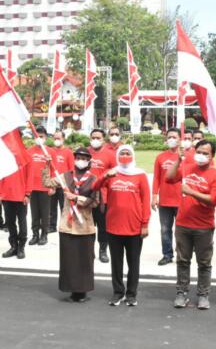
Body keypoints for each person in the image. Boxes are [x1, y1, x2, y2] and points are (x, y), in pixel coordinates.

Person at [166, 138, 216, 310]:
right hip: (183, 223)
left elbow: (213, 200)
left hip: (204, 226)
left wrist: (191, 191)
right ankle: (181, 292)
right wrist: (178, 160)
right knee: (183, 260)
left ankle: (203, 295)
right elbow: (169, 178)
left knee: (204, 263)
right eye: (198, 152)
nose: (201, 156)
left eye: (205, 153)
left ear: (212, 156)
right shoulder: (186, 168)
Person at [93, 145, 150, 307]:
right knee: (116, 263)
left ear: (133, 155)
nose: (125, 155)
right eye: (122, 153)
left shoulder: (140, 175)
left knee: (133, 262)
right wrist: (105, 176)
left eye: (128, 153)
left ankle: (131, 294)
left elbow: (146, 201)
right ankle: (118, 292)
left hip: (134, 227)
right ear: (118, 156)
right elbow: (95, 187)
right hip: (114, 226)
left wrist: (145, 224)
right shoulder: (112, 173)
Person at [43, 148, 98, 302]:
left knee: (84, 261)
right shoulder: (66, 176)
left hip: (84, 226)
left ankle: (83, 291)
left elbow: (94, 202)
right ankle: (71, 290)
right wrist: (47, 165)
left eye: (84, 158)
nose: (81, 160)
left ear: (89, 161)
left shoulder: (93, 179)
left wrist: (76, 197)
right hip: (67, 225)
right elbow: (47, 182)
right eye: (78, 157)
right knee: (69, 260)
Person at [152, 128, 182, 266]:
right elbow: (156, 178)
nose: (171, 139)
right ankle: (167, 254)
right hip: (165, 200)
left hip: (181, 199)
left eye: (174, 137)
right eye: (169, 137)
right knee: (165, 229)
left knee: (181, 230)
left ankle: (182, 254)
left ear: (180, 138)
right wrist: (154, 196)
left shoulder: (185, 157)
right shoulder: (161, 157)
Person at [0, 133, 31, 259]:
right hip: (7, 196)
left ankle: (21, 247)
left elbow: (30, 177)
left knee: (22, 223)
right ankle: (13, 246)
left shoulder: (26, 156)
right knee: (10, 223)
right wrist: (1, 193)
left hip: (21, 196)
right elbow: (1, 176)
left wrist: (28, 194)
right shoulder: (5, 157)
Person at [88, 128, 116, 263]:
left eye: (98, 138)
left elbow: (115, 175)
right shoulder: (86, 153)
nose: (95, 140)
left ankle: (103, 250)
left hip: (103, 196)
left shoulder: (110, 155)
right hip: (87, 195)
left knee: (103, 225)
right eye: (93, 137)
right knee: (88, 224)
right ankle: (89, 250)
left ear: (103, 140)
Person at [27, 126, 53, 246]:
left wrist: (52, 186)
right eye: (37, 136)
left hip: (45, 186)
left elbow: (54, 170)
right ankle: (35, 234)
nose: (39, 138)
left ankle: (44, 234)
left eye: (41, 136)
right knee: (34, 212)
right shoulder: (29, 151)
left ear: (46, 137)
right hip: (32, 187)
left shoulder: (50, 152)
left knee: (45, 212)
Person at [49, 129, 74, 233]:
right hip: (53, 185)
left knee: (64, 208)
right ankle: (52, 226)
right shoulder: (50, 151)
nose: (56, 140)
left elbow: (71, 169)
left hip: (64, 186)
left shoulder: (68, 152)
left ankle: (64, 226)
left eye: (58, 138)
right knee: (51, 208)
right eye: (55, 138)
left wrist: (69, 185)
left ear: (63, 139)